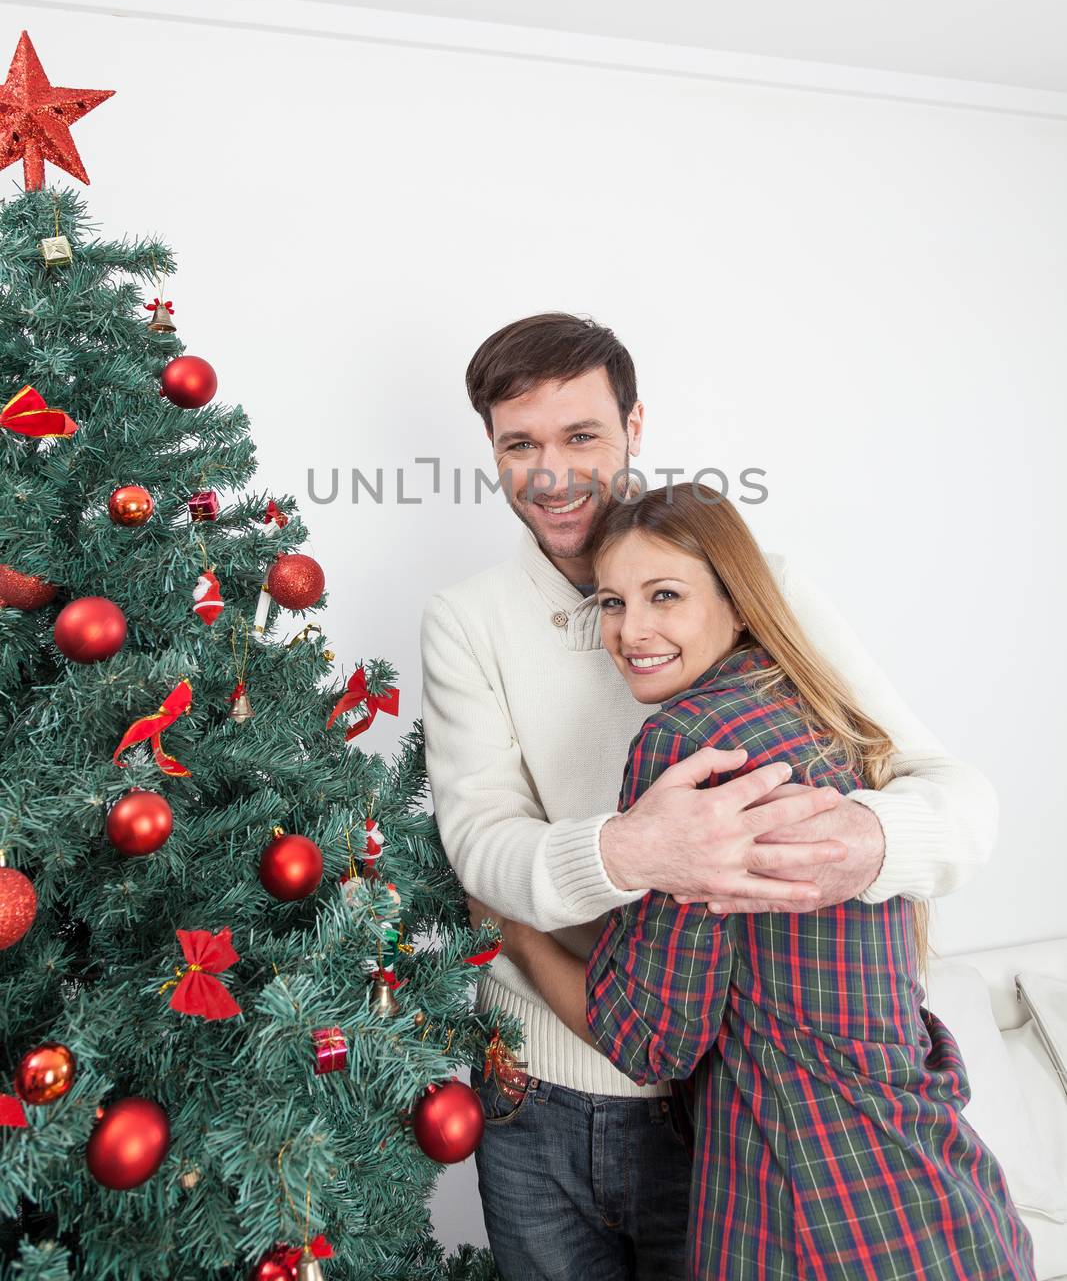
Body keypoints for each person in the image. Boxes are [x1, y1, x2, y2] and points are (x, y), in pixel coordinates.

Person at [420, 312, 998, 1281]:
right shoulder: (468, 619)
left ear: (635, 426)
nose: (551, 472)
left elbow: (954, 797)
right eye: (519, 444)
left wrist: (863, 838)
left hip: (722, 1111)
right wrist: (631, 852)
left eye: (581, 436)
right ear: (490, 448)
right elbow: (480, 845)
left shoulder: (753, 584)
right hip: (535, 1098)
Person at [567, 482, 1031, 1279]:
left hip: (810, 1206)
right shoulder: (819, 709)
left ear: (739, 604)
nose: (630, 631)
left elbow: (649, 1038)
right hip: (947, 1190)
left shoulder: (685, 743)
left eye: (664, 596)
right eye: (611, 602)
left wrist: (510, 927)